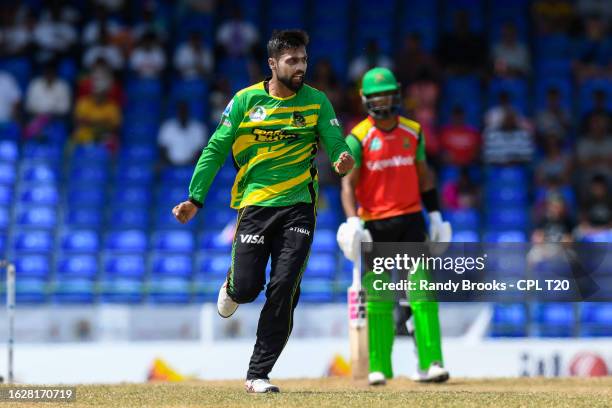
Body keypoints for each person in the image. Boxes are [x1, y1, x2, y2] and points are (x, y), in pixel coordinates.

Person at [172, 29, 354, 393]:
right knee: (247, 287)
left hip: (300, 207)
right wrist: (195, 198)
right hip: (255, 204)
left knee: (285, 287)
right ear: (273, 64)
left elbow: (335, 143)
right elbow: (215, 148)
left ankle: (258, 373)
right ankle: (233, 285)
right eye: (292, 60)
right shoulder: (244, 101)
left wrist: (341, 158)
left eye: (303, 59)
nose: (300, 66)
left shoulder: (317, 101)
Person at [337, 67, 451, 385]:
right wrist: (352, 220)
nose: (382, 100)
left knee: (422, 294)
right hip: (375, 224)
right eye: (375, 96)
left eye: (386, 93)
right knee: (379, 297)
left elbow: (424, 176)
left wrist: (436, 215)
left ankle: (432, 363)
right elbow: (348, 185)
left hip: (412, 220)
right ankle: (379, 367)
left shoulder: (414, 131)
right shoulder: (358, 137)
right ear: (365, 100)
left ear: (397, 94)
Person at [158, 101, 208, 166]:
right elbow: (162, 149)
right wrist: (171, 164)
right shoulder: (167, 127)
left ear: (188, 112)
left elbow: (201, 151)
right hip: (170, 165)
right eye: (180, 111)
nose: (182, 114)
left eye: (184, 111)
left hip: (193, 165)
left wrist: (188, 165)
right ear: (177, 113)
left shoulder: (198, 128)